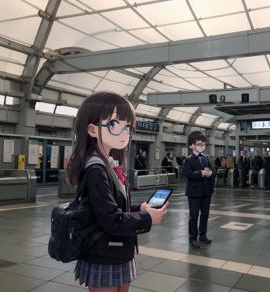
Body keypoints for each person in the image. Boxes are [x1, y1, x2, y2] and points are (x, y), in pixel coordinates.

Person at [66, 92, 168, 292]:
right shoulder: (96, 170)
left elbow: (112, 205)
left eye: (128, 127)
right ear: (93, 129)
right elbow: (111, 219)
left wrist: (141, 208)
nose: (124, 133)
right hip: (104, 252)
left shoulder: (109, 165)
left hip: (117, 249)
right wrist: (147, 218)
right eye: (114, 125)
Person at [183, 131, 216, 249]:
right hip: (194, 193)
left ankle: (203, 234)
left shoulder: (206, 158)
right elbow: (187, 174)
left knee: (205, 214)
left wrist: (211, 173)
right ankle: (192, 237)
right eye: (199, 144)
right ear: (191, 145)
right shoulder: (188, 160)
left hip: (207, 191)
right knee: (194, 215)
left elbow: (213, 171)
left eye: (203, 144)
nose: (201, 146)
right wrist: (201, 173)